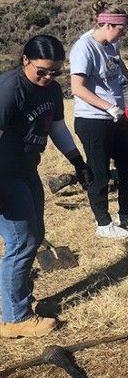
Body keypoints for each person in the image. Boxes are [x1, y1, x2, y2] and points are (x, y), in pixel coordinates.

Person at [0, 35, 92, 338]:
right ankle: (15, 318)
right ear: (25, 59)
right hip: (5, 175)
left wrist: (77, 161)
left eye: (55, 72)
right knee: (22, 241)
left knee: (35, 235)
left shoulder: (51, 90)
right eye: (42, 70)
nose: (48, 77)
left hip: (27, 170)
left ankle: (19, 301)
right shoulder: (11, 89)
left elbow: (56, 126)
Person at [70, 2, 128, 240]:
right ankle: (103, 223)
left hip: (116, 116)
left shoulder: (112, 42)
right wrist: (108, 107)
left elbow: (117, 61)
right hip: (93, 120)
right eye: (120, 28)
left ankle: (127, 213)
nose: (123, 33)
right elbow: (77, 88)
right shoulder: (84, 48)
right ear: (106, 24)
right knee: (100, 173)